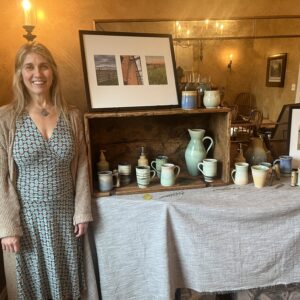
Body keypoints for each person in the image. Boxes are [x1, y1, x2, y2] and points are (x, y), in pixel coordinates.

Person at [0, 42, 93, 299]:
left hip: (65, 218)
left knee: (66, 284)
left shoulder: (72, 115)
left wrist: (82, 211)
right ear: (20, 73)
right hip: (26, 220)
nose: (37, 74)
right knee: (29, 286)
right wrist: (7, 227)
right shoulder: (6, 118)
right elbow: (1, 179)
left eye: (44, 67)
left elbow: (83, 166)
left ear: (53, 71)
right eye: (29, 67)